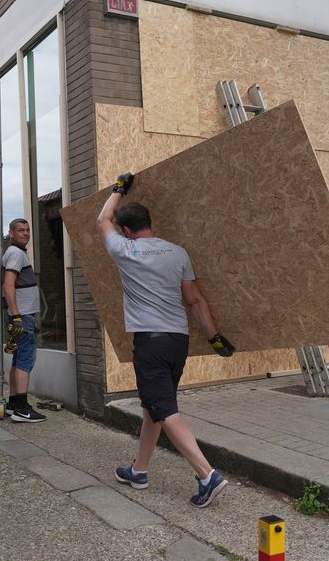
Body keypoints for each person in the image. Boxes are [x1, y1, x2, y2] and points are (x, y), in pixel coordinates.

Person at [97, 172, 236, 508]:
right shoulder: (178, 253)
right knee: (153, 408)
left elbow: (102, 218)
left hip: (151, 344)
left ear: (127, 231)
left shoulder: (124, 250)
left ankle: (207, 475)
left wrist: (119, 189)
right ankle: (139, 470)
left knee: (165, 409)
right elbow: (194, 300)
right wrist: (214, 337)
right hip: (178, 342)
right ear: (150, 224)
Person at [2, 218, 46, 423]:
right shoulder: (16, 254)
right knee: (26, 359)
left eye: (28, 230)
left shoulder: (16, 253)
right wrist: (17, 316)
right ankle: (21, 408)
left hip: (22, 314)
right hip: (23, 316)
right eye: (20, 230)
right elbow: (8, 286)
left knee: (18, 359)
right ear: (11, 233)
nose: (26, 233)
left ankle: (13, 404)